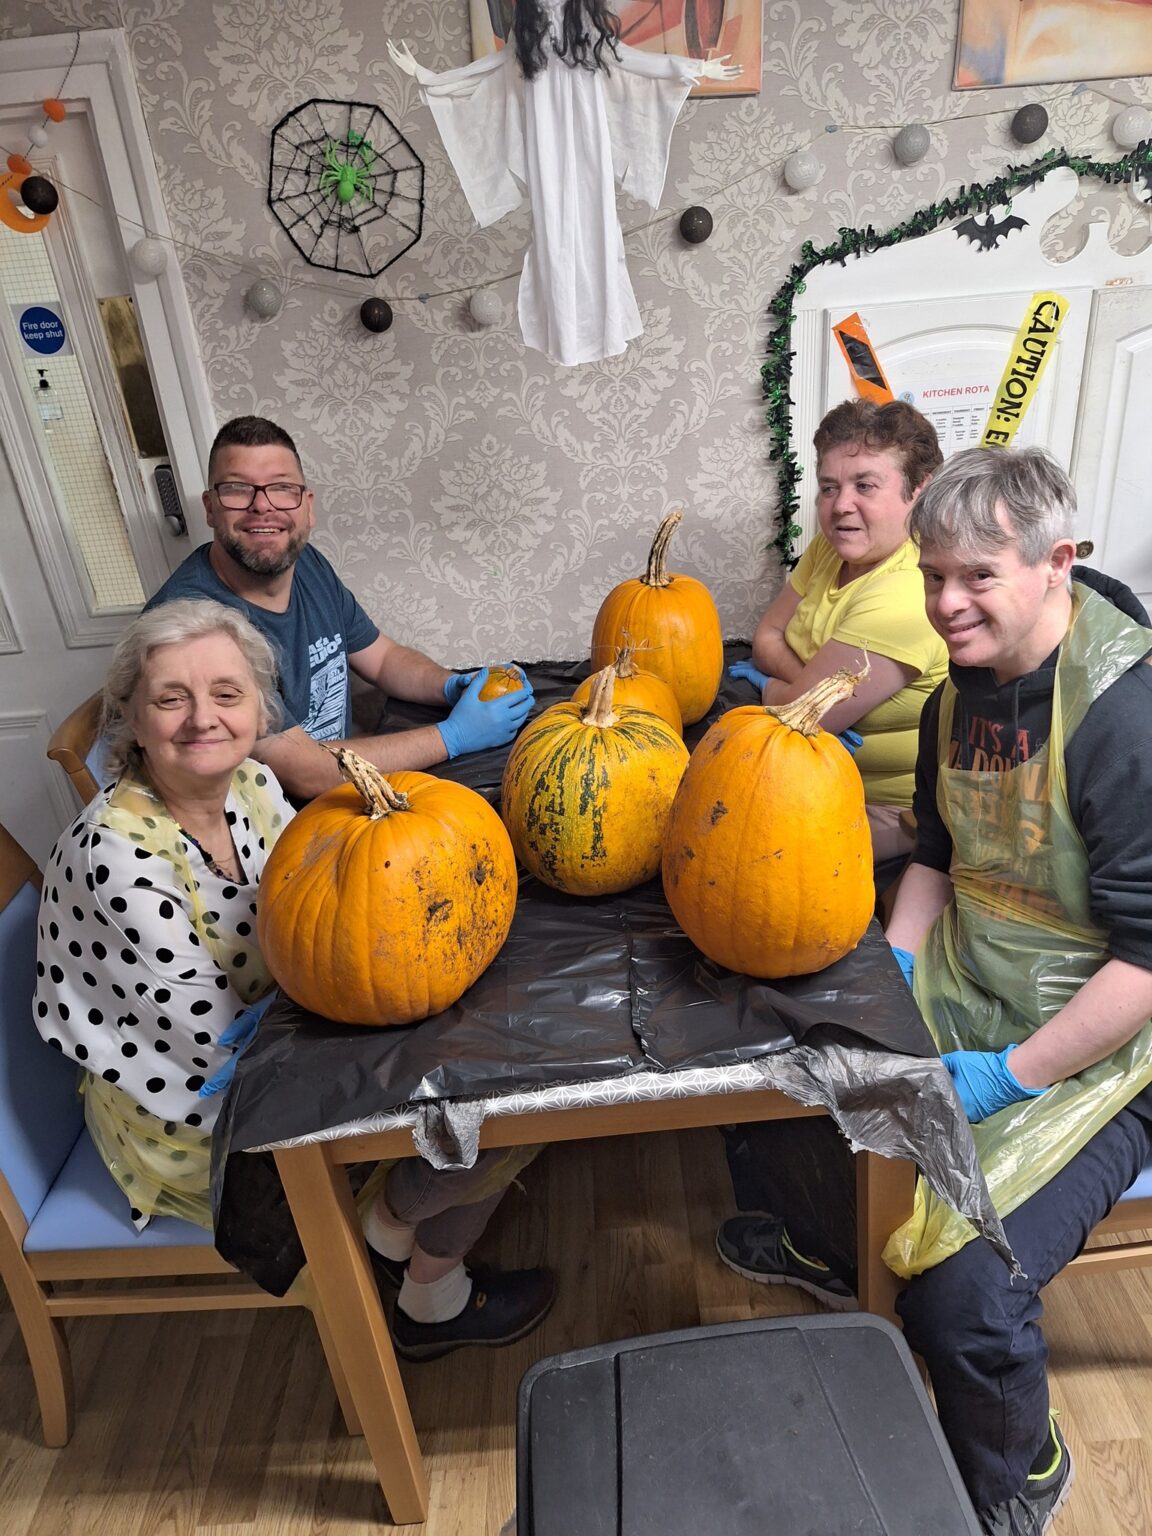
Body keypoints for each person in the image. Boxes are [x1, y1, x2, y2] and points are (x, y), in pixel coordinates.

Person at [716, 446, 1152, 1534]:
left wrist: (1011, 1075)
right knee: (783, 1081)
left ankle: (1017, 1477)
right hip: (975, 965)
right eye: (934, 575)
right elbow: (938, 855)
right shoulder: (962, 687)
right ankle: (831, 1251)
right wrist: (897, 965)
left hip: (1108, 1034)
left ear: (1057, 564)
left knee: (966, 1293)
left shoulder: (1125, 721)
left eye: (978, 578)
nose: (947, 605)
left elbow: (1146, 962)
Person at [34, 600, 554, 1359]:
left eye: (226, 693)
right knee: (502, 1108)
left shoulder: (250, 782)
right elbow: (220, 1056)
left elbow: (318, 906)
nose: (202, 718)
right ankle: (420, 1283)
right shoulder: (114, 859)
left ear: (259, 709)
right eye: (171, 698)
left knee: (502, 1061)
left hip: (287, 1028)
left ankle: (395, 1241)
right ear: (132, 720)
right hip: (206, 1117)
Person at [144, 416, 533, 802]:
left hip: (346, 793)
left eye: (282, 488)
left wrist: (449, 686)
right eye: (237, 489)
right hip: (279, 823)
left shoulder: (306, 562)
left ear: (307, 507)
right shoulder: (191, 629)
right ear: (211, 508)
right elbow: (304, 771)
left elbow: (382, 659)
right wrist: (453, 736)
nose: (262, 506)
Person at [387, 5, 740, 366]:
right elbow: (494, 68)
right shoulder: (527, 29)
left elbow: (625, 57)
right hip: (546, 144)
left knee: (598, 226)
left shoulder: (582, 20)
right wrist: (429, 77)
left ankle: (605, 326)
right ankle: (563, 335)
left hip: (587, 136)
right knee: (552, 233)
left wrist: (692, 67)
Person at [732, 399, 948, 863]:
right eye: (829, 487)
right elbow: (766, 635)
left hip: (878, 808)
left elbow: (799, 718)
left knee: (740, 854)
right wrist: (805, 689)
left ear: (920, 491)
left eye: (864, 485)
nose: (840, 505)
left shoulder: (907, 591)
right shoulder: (835, 547)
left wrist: (775, 687)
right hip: (804, 772)